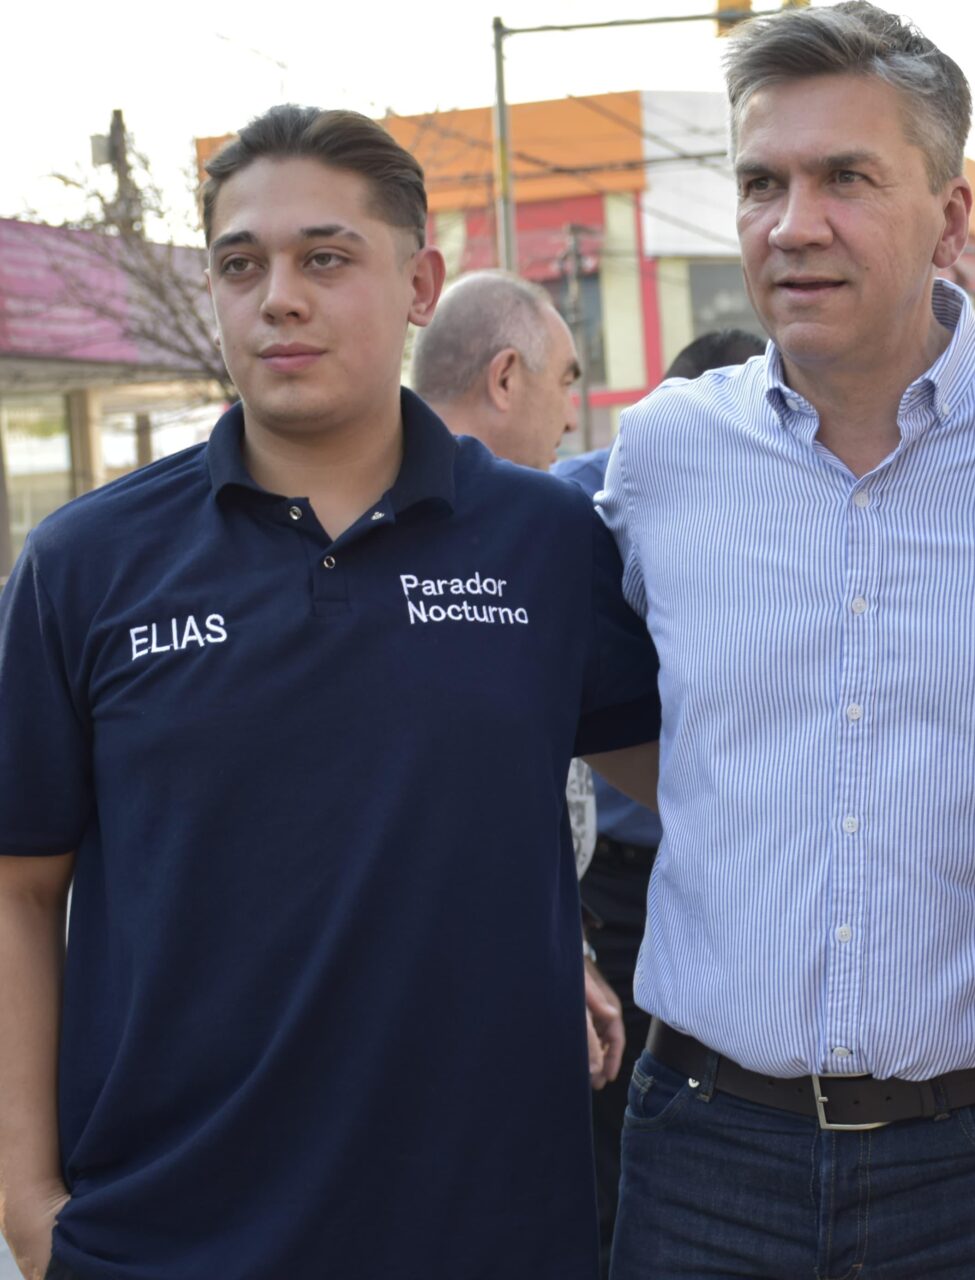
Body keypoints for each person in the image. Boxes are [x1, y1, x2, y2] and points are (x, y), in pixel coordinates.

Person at [0, 105, 659, 1280]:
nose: (280, 297)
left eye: (325, 257)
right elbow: (18, 892)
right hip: (163, 1235)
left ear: (420, 281)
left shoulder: (545, 540)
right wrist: (29, 1208)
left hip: (489, 1228)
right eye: (240, 264)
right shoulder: (85, 562)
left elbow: (709, 788)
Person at [593, 4, 975, 1275]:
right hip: (706, 1161)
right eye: (761, 183)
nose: (794, 223)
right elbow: (567, 697)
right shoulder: (661, 454)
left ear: (951, 218)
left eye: (846, 177)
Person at [550, 325, 763, 1278]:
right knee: (612, 1146)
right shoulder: (593, 504)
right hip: (619, 893)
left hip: (737, 878)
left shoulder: (781, 511)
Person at [410, 267, 632, 1097]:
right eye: (566, 379)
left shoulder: (537, 529)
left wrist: (562, 947)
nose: (573, 413)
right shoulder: (399, 536)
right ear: (506, 377)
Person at [412, 269, 583, 470]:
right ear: (504, 380)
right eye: (565, 383)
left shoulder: (376, 491)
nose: (572, 422)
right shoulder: (556, 500)